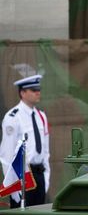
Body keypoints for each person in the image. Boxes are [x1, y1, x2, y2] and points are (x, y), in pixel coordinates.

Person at [0, 74, 50, 208]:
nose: (38, 92)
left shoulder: (41, 116)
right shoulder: (13, 117)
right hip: (23, 177)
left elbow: (45, 151)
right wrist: (13, 186)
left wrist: (46, 178)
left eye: (38, 89)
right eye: (33, 90)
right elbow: (6, 155)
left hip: (39, 175)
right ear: (22, 92)